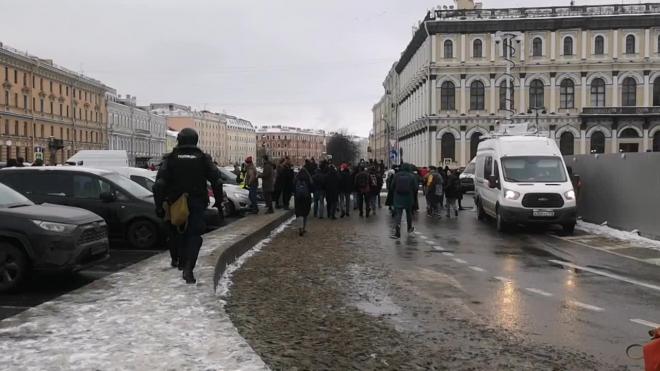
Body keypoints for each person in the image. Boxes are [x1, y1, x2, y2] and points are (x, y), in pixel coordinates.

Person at [153, 128, 223, 284]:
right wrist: (218, 202)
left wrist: (158, 206)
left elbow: (158, 185)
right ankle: (188, 269)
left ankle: (179, 261)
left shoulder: (170, 158)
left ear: (180, 139)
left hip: (175, 204)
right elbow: (217, 181)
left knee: (176, 233)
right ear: (195, 140)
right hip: (197, 203)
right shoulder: (203, 158)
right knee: (194, 236)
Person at [390, 163, 417, 238]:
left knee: (398, 214)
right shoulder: (412, 176)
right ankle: (409, 228)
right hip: (408, 198)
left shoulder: (396, 175)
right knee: (409, 213)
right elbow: (415, 187)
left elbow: (392, 186)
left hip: (398, 197)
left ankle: (398, 227)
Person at [294, 166, 313, 236]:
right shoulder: (308, 178)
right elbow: (312, 187)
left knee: (299, 213)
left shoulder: (296, 178)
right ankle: (304, 228)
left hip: (298, 198)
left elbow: (293, 187)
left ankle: (300, 228)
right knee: (305, 213)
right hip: (306, 197)